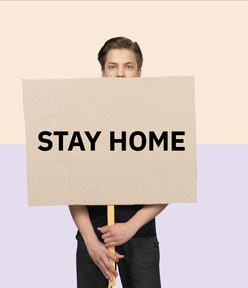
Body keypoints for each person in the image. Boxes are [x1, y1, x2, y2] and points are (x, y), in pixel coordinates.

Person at [69, 36, 168, 288]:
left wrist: (131, 227)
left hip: (141, 235)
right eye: (113, 67)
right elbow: (68, 183)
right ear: (102, 73)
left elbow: (172, 182)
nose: (120, 74)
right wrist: (91, 242)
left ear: (139, 73)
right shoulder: (82, 122)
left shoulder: (159, 121)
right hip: (93, 236)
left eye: (128, 66)